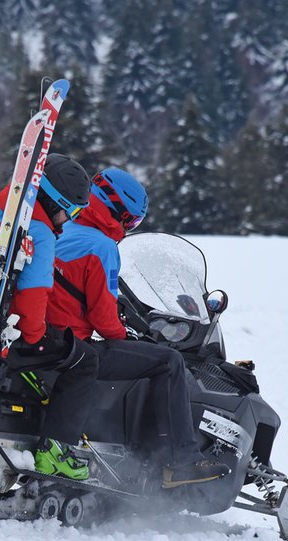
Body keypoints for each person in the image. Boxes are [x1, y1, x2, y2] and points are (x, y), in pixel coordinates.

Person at [46, 167, 230, 488]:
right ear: (118, 213)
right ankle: (181, 461)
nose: (128, 229)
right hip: (71, 344)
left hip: (43, 333)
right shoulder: (101, 246)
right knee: (166, 361)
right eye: (131, 222)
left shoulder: (62, 228)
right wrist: (124, 334)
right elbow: (104, 319)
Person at [0, 153, 98, 480]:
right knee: (84, 361)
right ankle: (55, 452)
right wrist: (39, 339)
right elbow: (30, 311)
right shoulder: (38, 233)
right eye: (69, 210)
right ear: (50, 200)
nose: (67, 220)